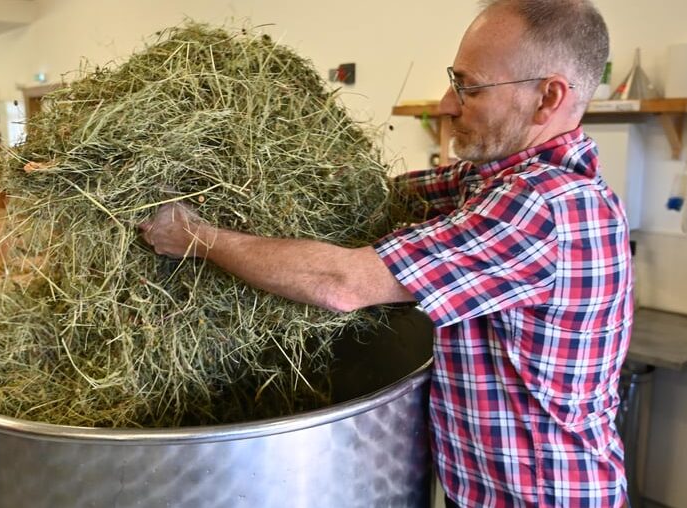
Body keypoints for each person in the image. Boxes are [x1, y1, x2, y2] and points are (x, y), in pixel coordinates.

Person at [139, 0, 629, 506]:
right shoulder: (490, 185)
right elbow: (379, 196)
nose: (446, 103)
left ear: (547, 98)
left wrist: (199, 237)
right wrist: (272, 179)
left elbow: (343, 285)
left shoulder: (546, 207)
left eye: (470, 87)